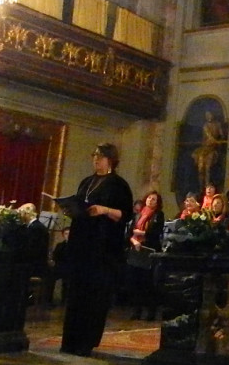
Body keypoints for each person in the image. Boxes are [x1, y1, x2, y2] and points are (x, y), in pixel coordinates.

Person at [61, 143, 133, 358]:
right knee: (76, 294)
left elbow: (125, 214)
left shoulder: (119, 185)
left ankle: (86, 342)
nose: (96, 160)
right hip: (81, 243)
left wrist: (104, 210)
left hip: (103, 247)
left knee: (95, 296)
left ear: (110, 159)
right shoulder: (87, 182)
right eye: (94, 156)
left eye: (100, 156)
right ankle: (70, 341)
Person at [126, 190, 165, 321]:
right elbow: (130, 232)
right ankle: (136, 311)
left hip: (149, 251)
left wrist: (141, 234)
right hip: (136, 249)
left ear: (157, 203)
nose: (150, 200)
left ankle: (151, 312)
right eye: (149, 198)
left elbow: (155, 231)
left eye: (154, 199)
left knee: (148, 283)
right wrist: (134, 240)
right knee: (135, 282)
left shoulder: (158, 215)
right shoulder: (138, 215)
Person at [49, 228, 70, 304]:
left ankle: (64, 300)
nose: (68, 236)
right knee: (50, 279)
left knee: (66, 283)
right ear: (63, 235)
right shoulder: (60, 245)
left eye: (69, 234)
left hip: (69, 267)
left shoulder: (74, 246)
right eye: (66, 234)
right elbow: (55, 256)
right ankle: (49, 299)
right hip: (59, 266)